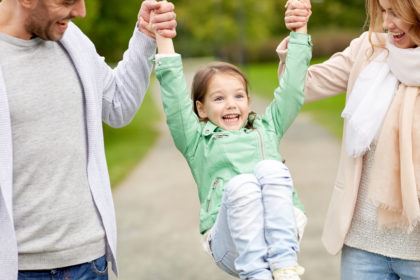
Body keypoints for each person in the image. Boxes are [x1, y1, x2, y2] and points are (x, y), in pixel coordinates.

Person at [0, 0, 176, 279]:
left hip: (89, 262)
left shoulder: (71, 39)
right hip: (17, 268)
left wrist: (145, 35)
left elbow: (118, 105)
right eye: (67, 1)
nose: (81, 11)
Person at [148, 2, 312, 279]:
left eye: (238, 96)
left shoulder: (267, 128)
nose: (231, 105)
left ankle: (285, 267)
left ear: (248, 100)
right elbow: (175, 96)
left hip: (280, 230)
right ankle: (257, 274)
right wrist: (163, 39)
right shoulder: (196, 141)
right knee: (243, 184)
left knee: (271, 169)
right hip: (231, 243)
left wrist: (299, 31)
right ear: (201, 109)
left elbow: (293, 88)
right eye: (219, 98)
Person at [284, 0, 420, 279]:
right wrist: (298, 34)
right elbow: (301, 87)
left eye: (395, 12)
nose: (386, 23)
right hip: (362, 248)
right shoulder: (370, 50)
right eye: (383, 11)